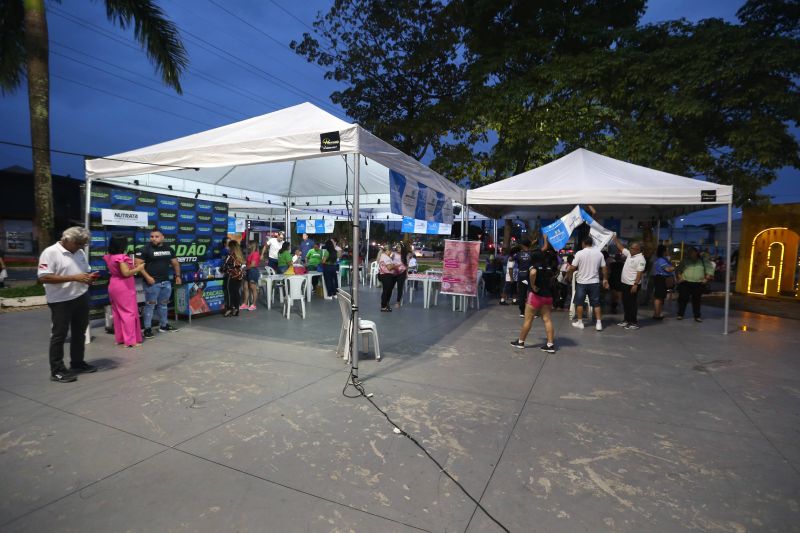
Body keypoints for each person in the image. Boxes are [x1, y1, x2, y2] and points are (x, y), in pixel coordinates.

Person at [38, 226, 97, 383]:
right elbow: (44, 277)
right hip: (60, 301)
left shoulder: (80, 252)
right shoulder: (50, 252)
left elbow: (83, 272)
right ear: (67, 240)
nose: (81, 247)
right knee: (59, 335)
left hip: (81, 296)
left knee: (80, 332)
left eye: (83, 244)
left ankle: (77, 362)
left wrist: (88, 277)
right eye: (79, 244)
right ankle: (56, 370)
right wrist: (74, 278)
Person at [135, 229, 182, 339]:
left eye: (156, 236)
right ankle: (147, 329)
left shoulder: (168, 249)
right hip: (152, 284)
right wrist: (148, 277)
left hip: (166, 283)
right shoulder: (145, 249)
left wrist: (178, 276)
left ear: (162, 237)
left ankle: (163, 325)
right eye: (151, 236)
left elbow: (175, 263)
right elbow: (138, 265)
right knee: (150, 306)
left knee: (163, 305)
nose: (153, 238)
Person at [510, 249, 558, 352]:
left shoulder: (534, 266)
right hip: (547, 296)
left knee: (528, 320)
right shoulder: (548, 267)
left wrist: (533, 285)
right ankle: (550, 345)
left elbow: (533, 273)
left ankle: (521, 342)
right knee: (547, 320)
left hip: (535, 297)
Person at [104, 235, 144, 348]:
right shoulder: (121, 257)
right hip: (124, 286)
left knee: (117, 313)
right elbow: (126, 273)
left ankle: (120, 338)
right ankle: (131, 341)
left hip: (113, 284)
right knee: (129, 312)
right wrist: (139, 268)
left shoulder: (109, 257)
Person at [566, 236, 608, 331]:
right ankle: (599, 323)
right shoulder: (599, 253)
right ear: (591, 243)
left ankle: (580, 323)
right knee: (596, 303)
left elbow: (573, 267)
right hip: (594, 282)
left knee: (579, 303)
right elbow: (604, 268)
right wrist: (605, 279)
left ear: (583, 243)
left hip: (582, 282)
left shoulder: (579, 253)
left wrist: (568, 274)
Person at [612, 235, 647, 330]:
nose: (630, 249)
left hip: (632, 285)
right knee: (625, 302)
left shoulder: (641, 259)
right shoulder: (630, 254)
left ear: (637, 249)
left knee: (632, 303)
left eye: (632, 248)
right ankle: (626, 320)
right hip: (625, 283)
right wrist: (615, 239)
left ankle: (634, 322)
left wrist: (635, 284)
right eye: (630, 248)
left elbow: (639, 273)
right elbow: (621, 248)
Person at [675, 246, 715, 322]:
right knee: (683, 299)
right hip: (685, 282)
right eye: (689, 252)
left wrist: (706, 279)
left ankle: (697, 316)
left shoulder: (703, 261)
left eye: (692, 252)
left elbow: (710, 270)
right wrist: (680, 277)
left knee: (697, 300)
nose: (690, 253)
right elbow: (678, 269)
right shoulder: (685, 261)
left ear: (696, 253)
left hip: (698, 283)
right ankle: (680, 314)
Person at [652, 244, 676, 320]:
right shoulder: (661, 260)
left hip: (661, 279)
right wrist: (674, 268)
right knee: (658, 297)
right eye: (667, 250)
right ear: (663, 251)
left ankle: (658, 313)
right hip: (661, 279)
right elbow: (668, 269)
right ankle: (657, 314)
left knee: (660, 297)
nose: (668, 251)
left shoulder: (662, 259)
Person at [222, 240, 245, 317]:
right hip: (239, 276)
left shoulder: (230, 256)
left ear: (231, 247)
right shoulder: (240, 255)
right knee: (236, 293)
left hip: (231, 276)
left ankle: (229, 308)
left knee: (229, 293)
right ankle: (236, 309)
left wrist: (221, 270)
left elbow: (225, 267)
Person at [514, 240, 533, 317]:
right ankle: (532, 312)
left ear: (523, 245)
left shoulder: (518, 254)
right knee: (532, 293)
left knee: (522, 293)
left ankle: (522, 312)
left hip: (522, 275)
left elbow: (513, 259)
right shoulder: (532, 253)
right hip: (530, 275)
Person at [241, 242, 261, 311]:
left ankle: (254, 304)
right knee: (245, 288)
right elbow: (248, 263)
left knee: (253, 288)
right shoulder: (250, 254)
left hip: (253, 271)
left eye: (249, 245)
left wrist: (244, 268)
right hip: (248, 271)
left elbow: (253, 264)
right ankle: (245, 303)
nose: (247, 246)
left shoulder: (255, 254)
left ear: (252, 246)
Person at [377, 245, 397, 311]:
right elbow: (389, 267)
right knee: (386, 291)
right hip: (386, 275)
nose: (391, 253)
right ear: (388, 250)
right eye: (390, 251)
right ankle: (384, 306)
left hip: (384, 275)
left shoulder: (383, 256)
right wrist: (395, 265)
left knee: (387, 290)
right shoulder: (386, 257)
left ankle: (385, 304)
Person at [392, 242, 409, 308]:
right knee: (390, 286)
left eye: (399, 247)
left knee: (400, 287)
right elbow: (390, 261)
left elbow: (407, 265)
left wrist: (406, 273)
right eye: (397, 247)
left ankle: (398, 302)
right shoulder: (394, 254)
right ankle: (386, 300)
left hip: (402, 273)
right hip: (394, 272)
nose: (398, 248)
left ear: (402, 248)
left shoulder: (405, 255)